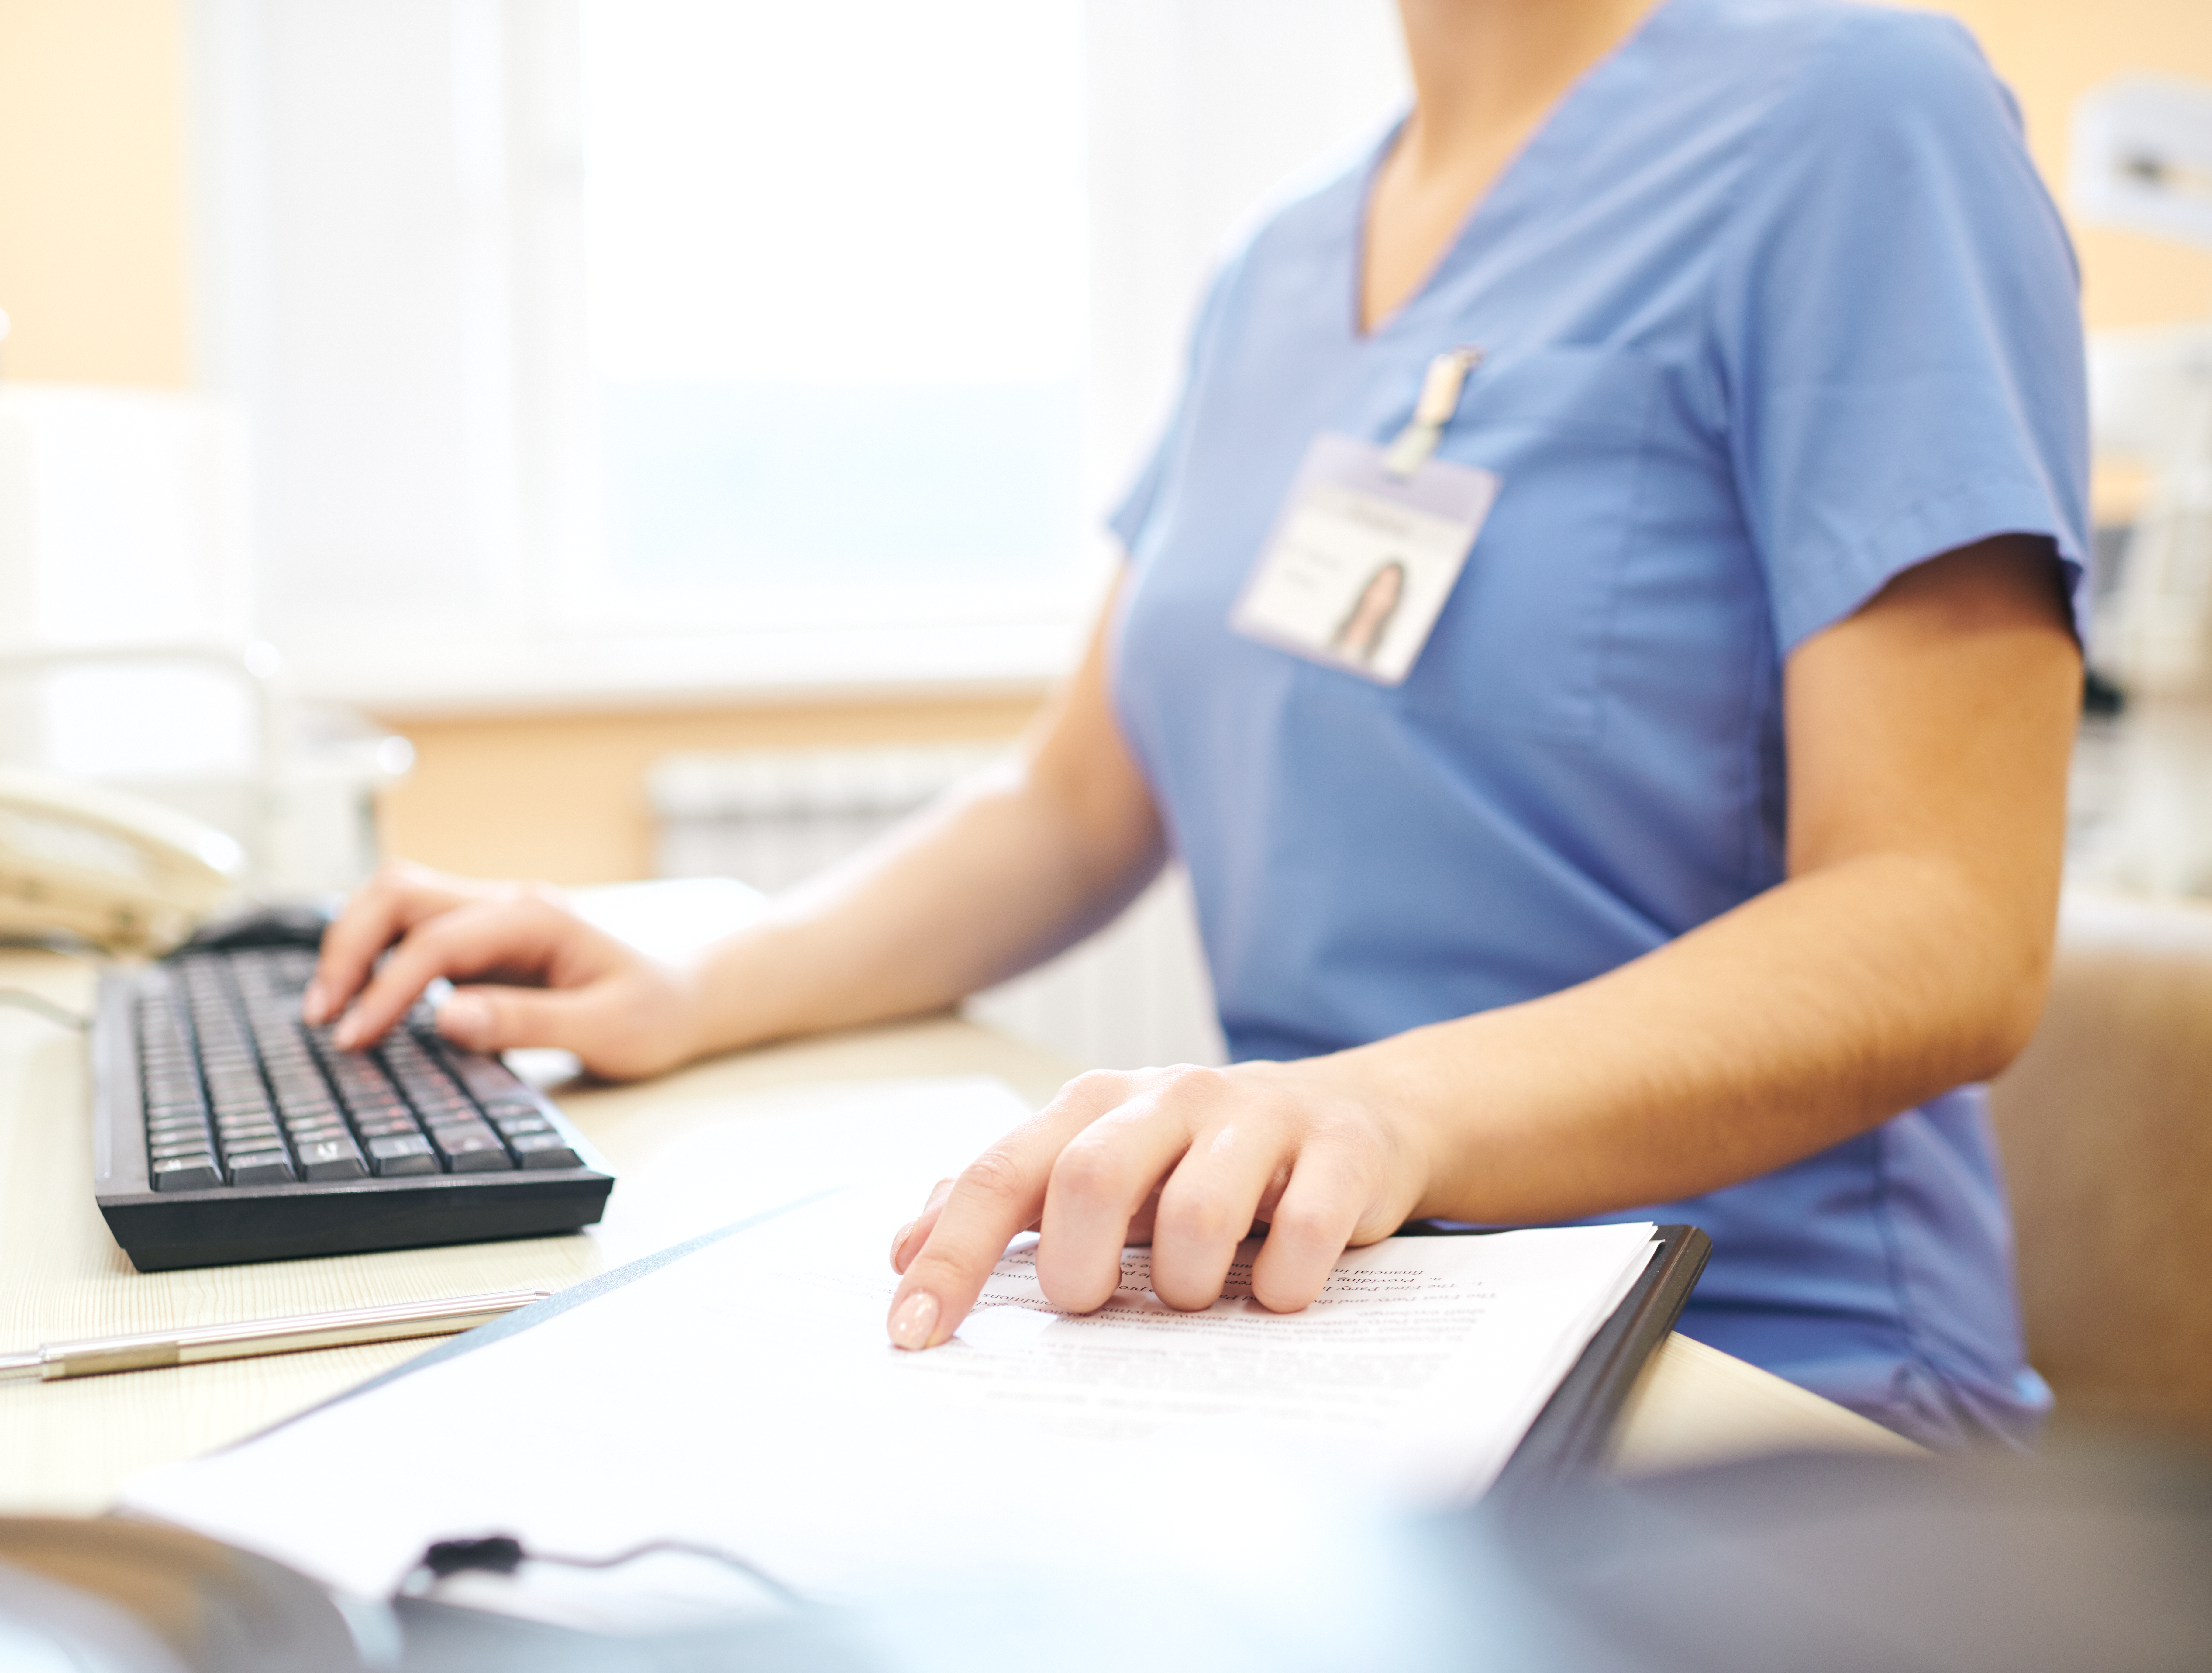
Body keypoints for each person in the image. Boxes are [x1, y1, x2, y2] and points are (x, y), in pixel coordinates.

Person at [307, 0, 2087, 1448]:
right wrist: (704, 976)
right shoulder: (1280, 262)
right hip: (1313, 1332)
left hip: (1757, 1388)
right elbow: (1080, 799)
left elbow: (1947, 924)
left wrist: (1381, 1117)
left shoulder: (1859, 115)